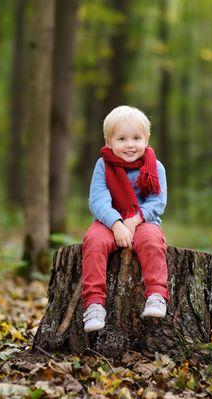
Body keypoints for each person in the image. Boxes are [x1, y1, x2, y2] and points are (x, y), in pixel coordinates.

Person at [82, 105, 169, 333]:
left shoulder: (155, 167)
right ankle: (94, 304)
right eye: (122, 139)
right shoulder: (103, 165)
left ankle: (157, 295)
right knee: (94, 243)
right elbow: (98, 200)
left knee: (152, 241)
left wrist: (135, 219)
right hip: (108, 222)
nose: (130, 144)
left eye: (136, 138)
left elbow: (157, 201)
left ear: (147, 139)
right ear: (109, 141)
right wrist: (117, 223)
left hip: (144, 222)